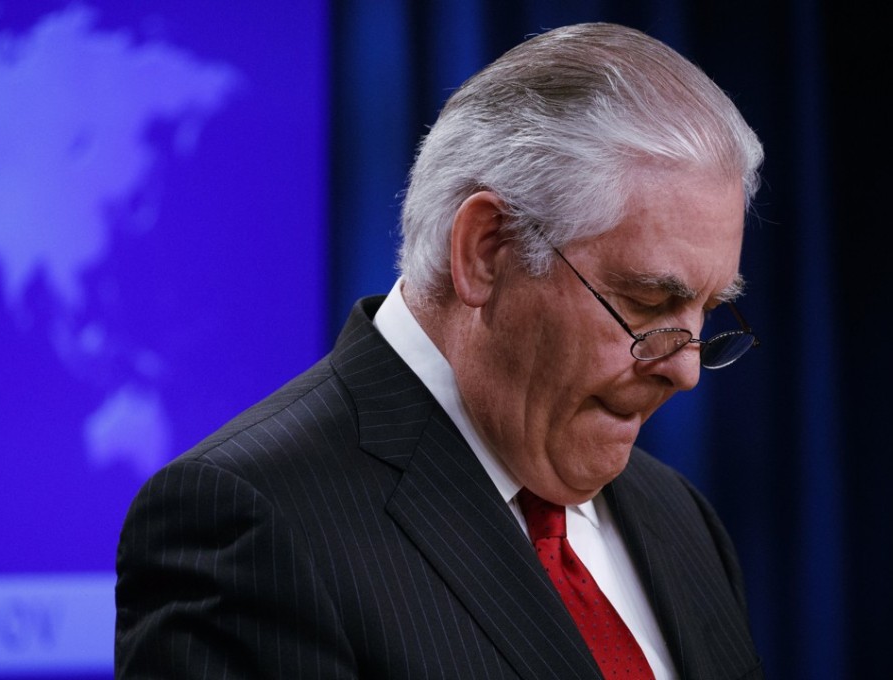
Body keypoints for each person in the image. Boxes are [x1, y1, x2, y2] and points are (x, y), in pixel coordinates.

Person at [115, 21, 765, 679]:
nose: (687, 370)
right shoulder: (249, 524)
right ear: (486, 251)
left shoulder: (682, 521)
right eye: (648, 304)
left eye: (706, 312)